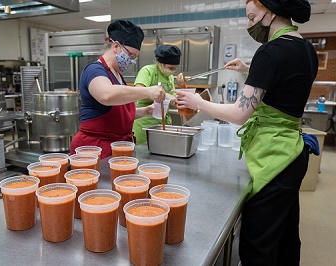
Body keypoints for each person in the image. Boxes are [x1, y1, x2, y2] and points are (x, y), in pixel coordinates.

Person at [175, 0, 318, 265]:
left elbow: (241, 113)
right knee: (286, 236)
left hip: (274, 157)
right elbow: (284, 83)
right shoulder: (305, 47)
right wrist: (247, 70)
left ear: (271, 13)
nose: (249, 24)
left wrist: (198, 103)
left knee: (258, 245)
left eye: (252, 17)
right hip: (294, 151)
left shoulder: (271, 51)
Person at [70, 20, 166, 159]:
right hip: (94, 149)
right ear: (116, 46)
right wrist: (147, 91)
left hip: (116, 147)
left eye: (135, 57)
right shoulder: (94, 70)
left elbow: (116, 114)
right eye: (131, 55)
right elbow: (107, 95)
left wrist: (146, 111)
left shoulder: (117, 74)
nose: (132, 61)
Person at [132, 45, 181, 145]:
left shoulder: (169, 77)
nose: (172, 71)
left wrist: (177, 101)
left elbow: (171, 99)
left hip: (162, 122)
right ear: (161, 63)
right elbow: (138, 92)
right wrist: (166, 95)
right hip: (145, 123)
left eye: (175, 69)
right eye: (170, 68)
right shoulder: (148, 71)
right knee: (143, 154)